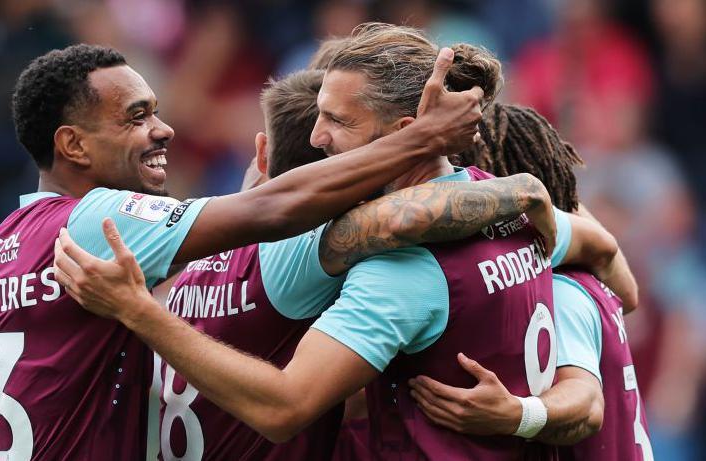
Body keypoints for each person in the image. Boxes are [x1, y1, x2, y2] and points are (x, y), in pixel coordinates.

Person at [53, 24, 628, 460]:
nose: (317, 135)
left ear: (406, 137)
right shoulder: (517, 215)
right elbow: (609, 266)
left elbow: (285, 407)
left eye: (338, 120)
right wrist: (523, 415)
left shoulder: (397, 268)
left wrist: (137, 311)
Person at [0, 42, 486, 460]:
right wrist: (433, 145)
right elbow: (274, 211)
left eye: (155, 111)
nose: (164, 129)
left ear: (262, 154)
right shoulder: (93, 222)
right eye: (135, 117)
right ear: (74, 147)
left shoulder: (8, 239)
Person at [156, 60, 555, 459]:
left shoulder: (197, 251)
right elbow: (392, 221)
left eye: (337, 120)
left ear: (262, 153)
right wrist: (526, 190)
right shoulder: (507, 215)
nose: (318, 135)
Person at [409, 103, 652, 460]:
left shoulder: (559, 290)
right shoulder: (576, 272)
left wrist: (516, 414)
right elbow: (628, 294)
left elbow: (587, 405)